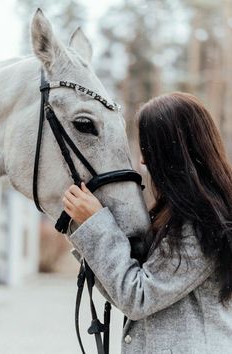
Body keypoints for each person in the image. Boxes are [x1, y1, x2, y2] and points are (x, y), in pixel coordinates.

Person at [63, 92, 232, 354]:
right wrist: (85, 228)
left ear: (171, 153)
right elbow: (125, 292)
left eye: (147, 149)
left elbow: (137, 297)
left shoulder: (202, 224)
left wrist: (95, 224)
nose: (142, 161)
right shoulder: (178, 215)